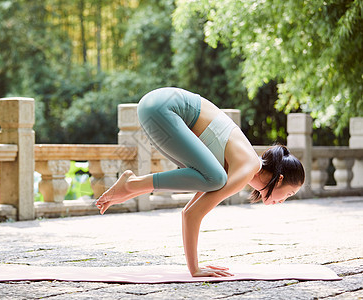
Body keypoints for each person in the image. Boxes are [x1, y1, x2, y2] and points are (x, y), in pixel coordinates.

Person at [95, 87, 305, 278]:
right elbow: (195, 214)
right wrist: (195, 269)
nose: (283, 201)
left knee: (213, 178)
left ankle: (132, 187)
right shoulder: (247, 167)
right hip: (163, 108)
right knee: (216, 178)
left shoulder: (234, 166)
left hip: (155, 107)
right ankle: (133, 184)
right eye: (288, 194)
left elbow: (189, 212)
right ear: (279, 180)